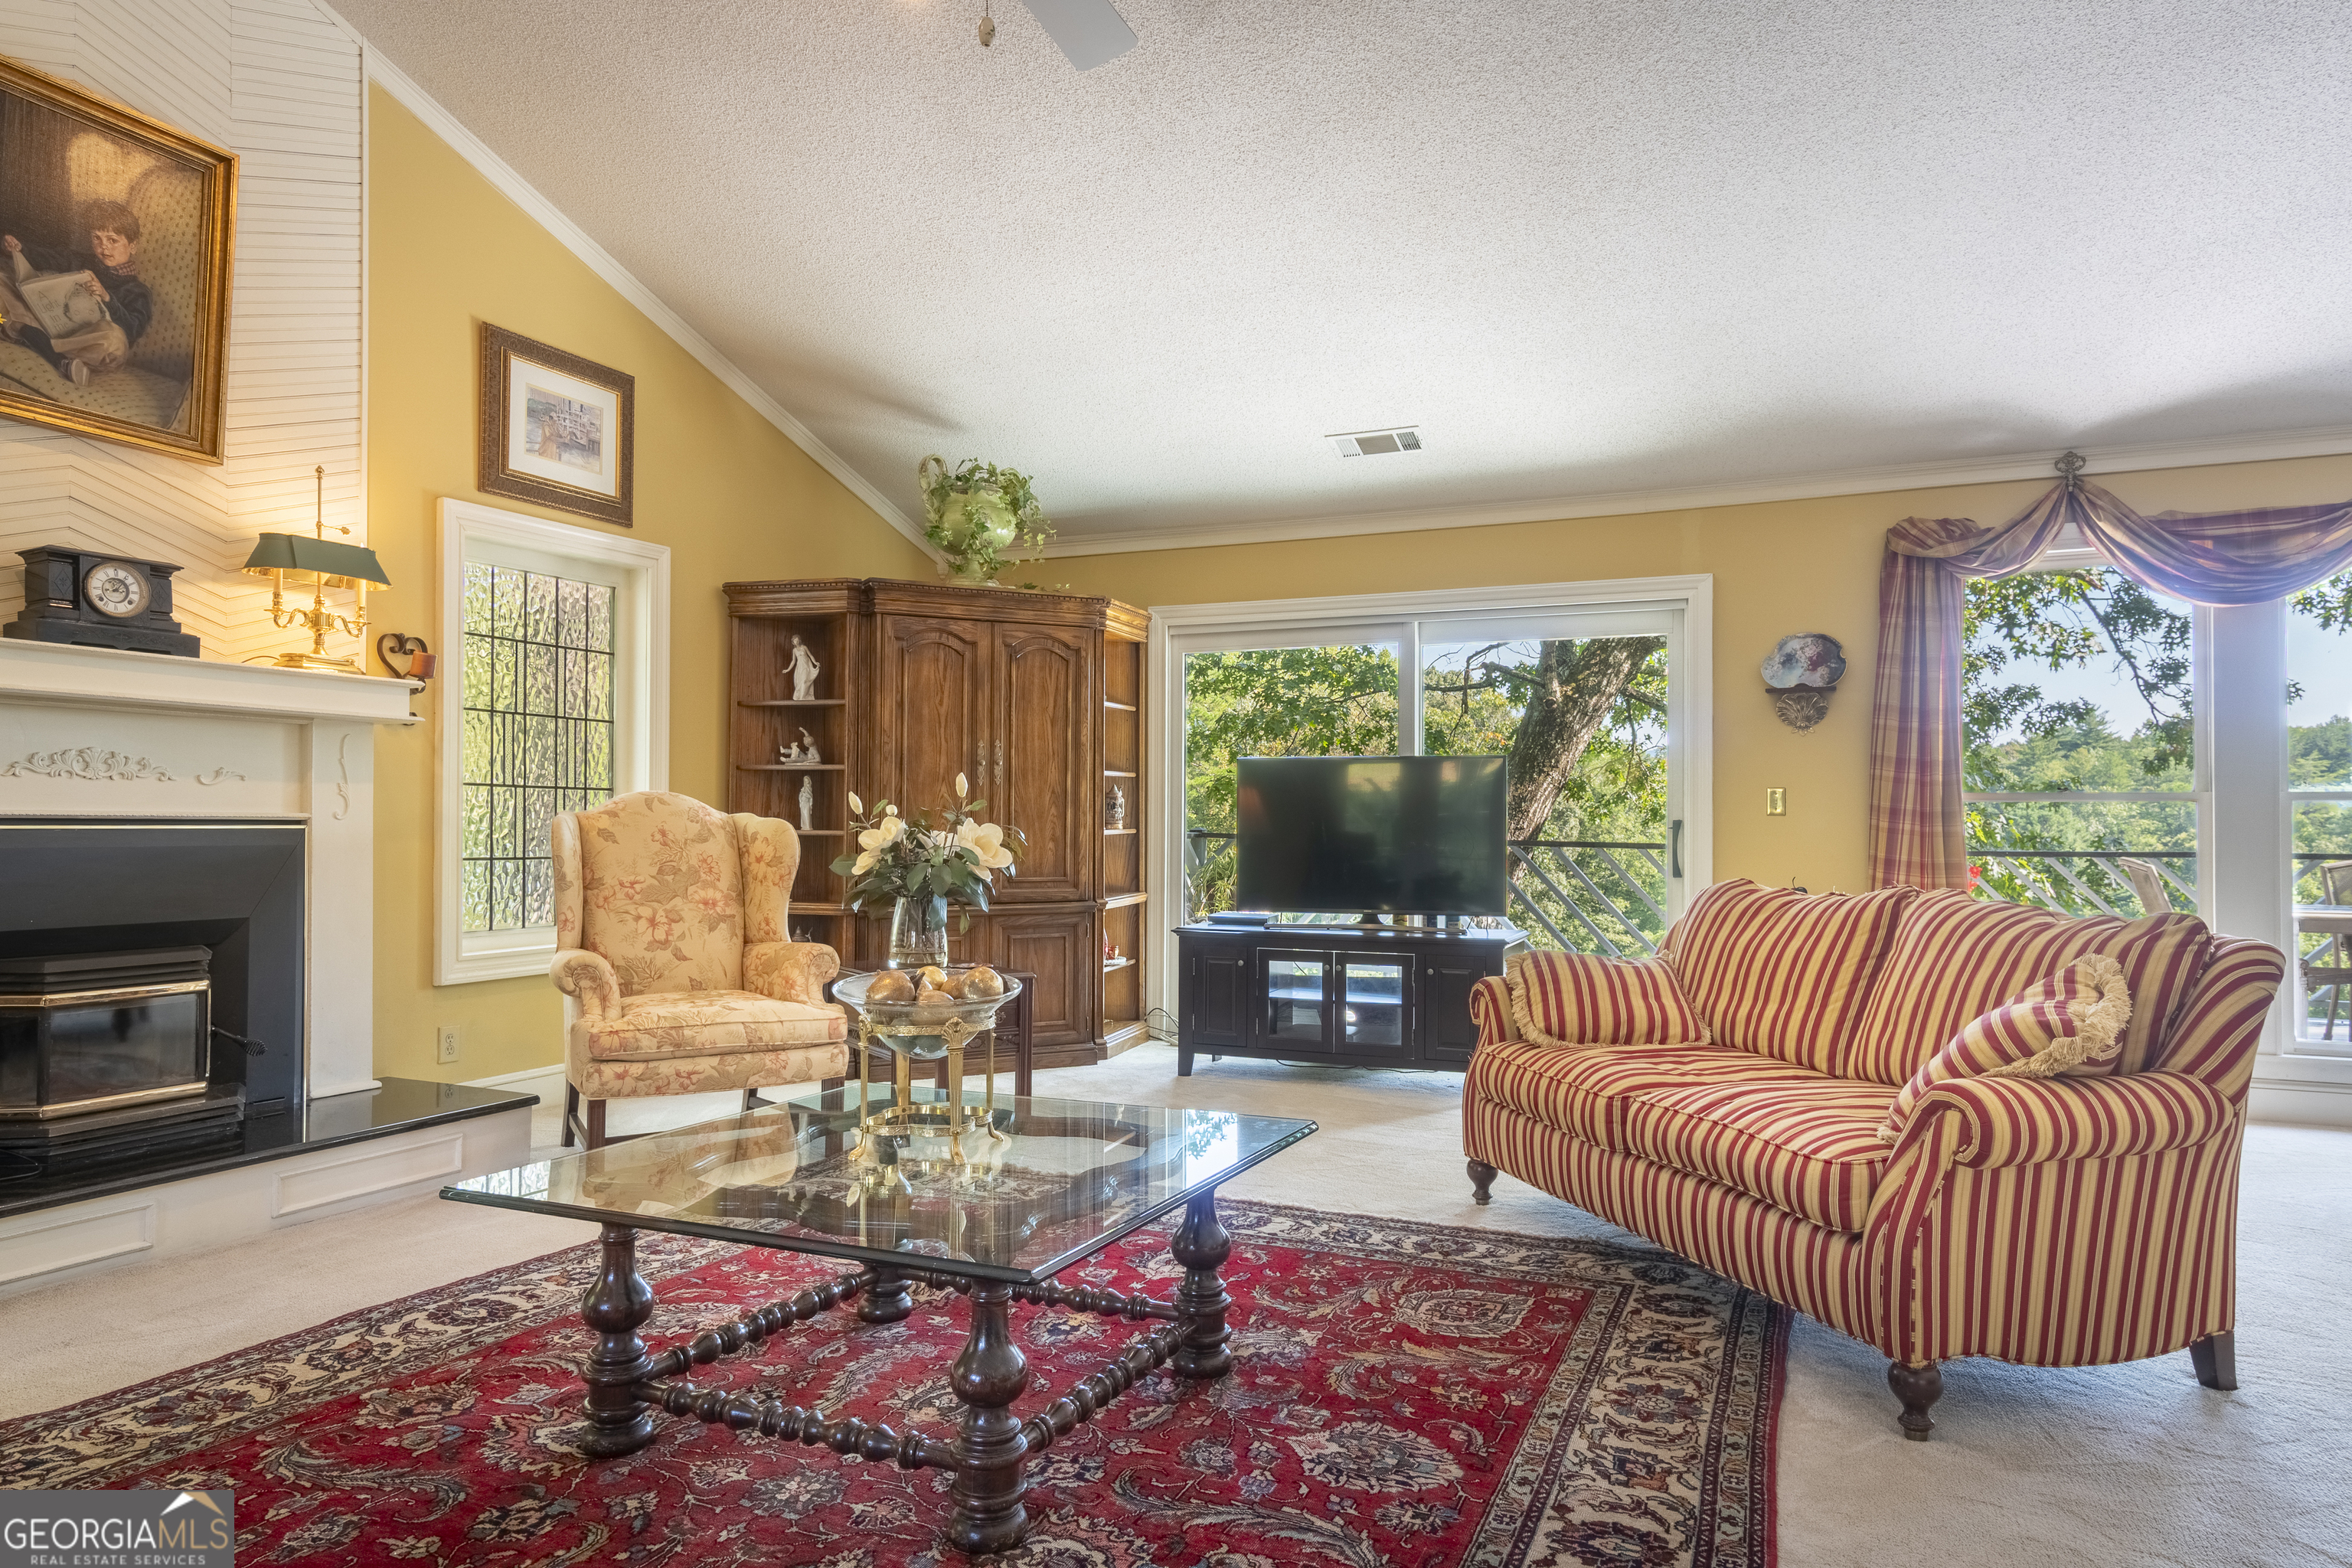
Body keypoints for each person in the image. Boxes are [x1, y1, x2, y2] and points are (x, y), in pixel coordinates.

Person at [0, 200, 153, 390]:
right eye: (97, 238)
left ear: (133, 246)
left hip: (89, 346)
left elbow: (131, 331)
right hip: (53, 327)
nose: (104, 247)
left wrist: (107, 298)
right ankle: (56, 357)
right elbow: (51, 257)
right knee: (2, 280)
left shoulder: (138, 291)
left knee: (115, 341)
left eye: (112, 240)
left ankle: (29, 336)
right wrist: (21, 249)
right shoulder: (81, 261)